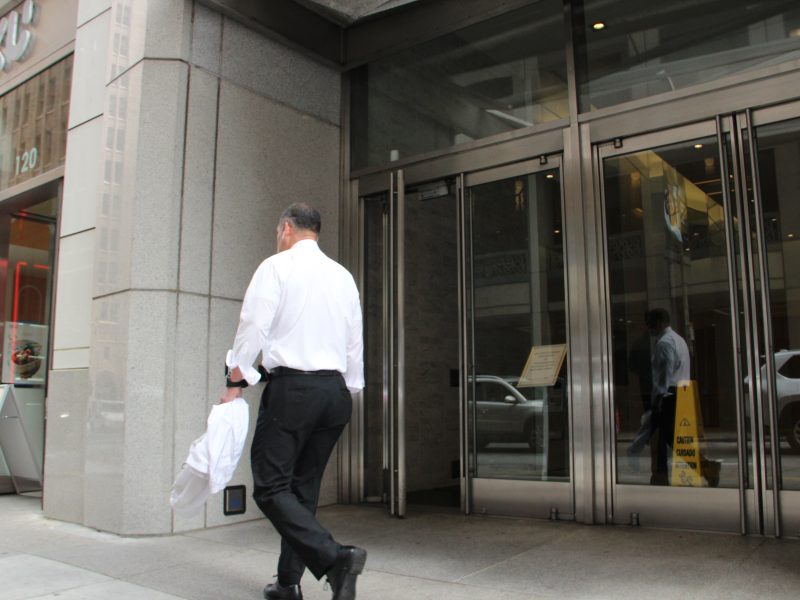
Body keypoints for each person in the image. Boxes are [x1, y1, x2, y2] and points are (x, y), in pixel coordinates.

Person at [220, 203, 366, 600]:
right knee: (303, 490)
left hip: (294, 391)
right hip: (335, 394)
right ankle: (288, 584)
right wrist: (349, 387)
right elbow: (355, 339)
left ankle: (336, 558)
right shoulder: (343, 277)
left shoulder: (276, 267)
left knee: (270, 487)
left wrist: (236, 378)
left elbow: (253, 326)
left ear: (286, 228)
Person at [642, 308, 690, 485]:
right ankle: (704, 467)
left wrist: (656, 401)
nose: (648, 328)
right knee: (673, 439)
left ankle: (659, 477)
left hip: (668, 396)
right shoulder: (679, 340)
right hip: (682, 392)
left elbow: (663, 377)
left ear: (659, 322)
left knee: (659, 440)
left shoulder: (664, 343)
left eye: (650, 323)